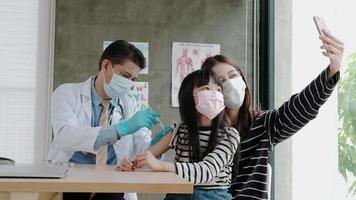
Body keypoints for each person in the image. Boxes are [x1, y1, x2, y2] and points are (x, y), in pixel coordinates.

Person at [197, 31, 344, 199]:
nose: (230, 83)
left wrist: (333, 70)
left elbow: (300, 108)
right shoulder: (201, 130)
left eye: (233, 76)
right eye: (221, 81)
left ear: (243, 80)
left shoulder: (263, 123)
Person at [48, 40, 164, 200]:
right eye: (125, 76)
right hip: (71, 180)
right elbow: (64, 137)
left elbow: (141, 147)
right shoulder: (66, 93)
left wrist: (158, 145)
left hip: (112, 184)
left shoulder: (130, 103)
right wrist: (119, 130)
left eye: (133, 79)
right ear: (105, 66)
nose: (129, 84)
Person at [117, 69, 241, 200]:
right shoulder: (180, 131)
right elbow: (147, 156)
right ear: (189, 96)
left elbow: (206, 171)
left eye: (218, 90)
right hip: (177, 194)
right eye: (206, 88)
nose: (214, 94)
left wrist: (160, 165)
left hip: (213, 197)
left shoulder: (230, 135)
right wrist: (130, 163)